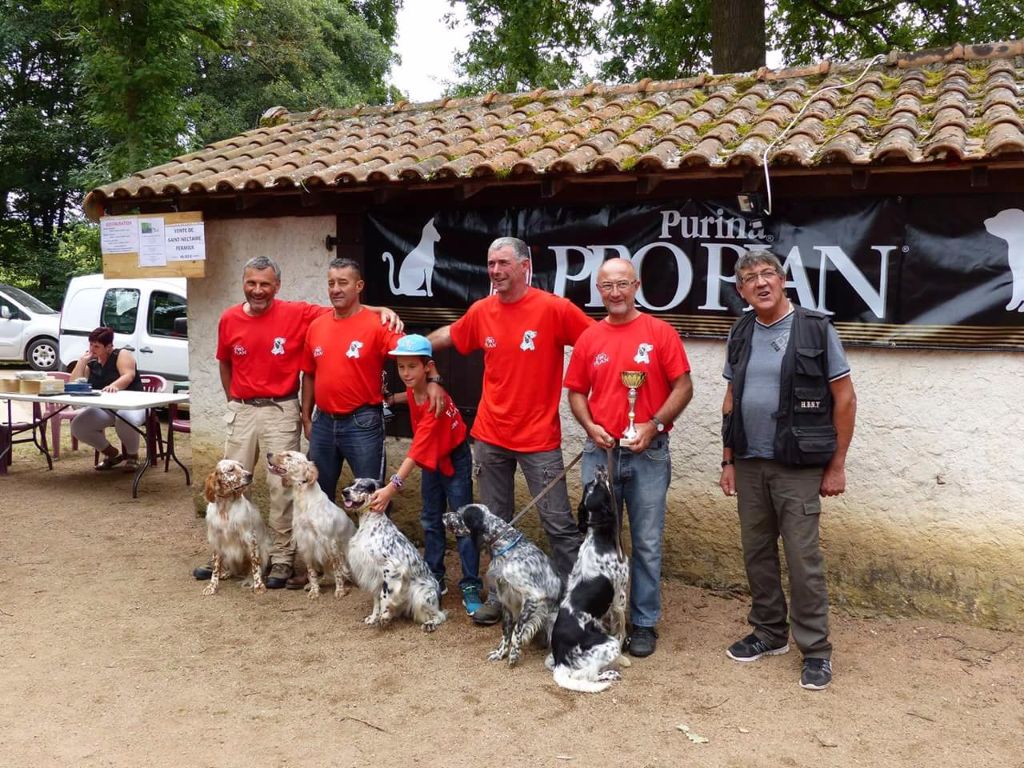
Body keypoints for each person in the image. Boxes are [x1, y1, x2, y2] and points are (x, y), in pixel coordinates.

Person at [194, 255, 401, 589]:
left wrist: (380, 310)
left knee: (282, 489)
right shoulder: (229, 318)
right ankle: (222, 551)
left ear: (277, 286)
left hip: (280, 409)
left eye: (265, 284)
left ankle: (282, 559)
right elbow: (224, 362)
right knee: (226, 481)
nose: (257, 290)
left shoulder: (297, 312)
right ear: (243, 283)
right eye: (251, 283)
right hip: (243, 408)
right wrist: (234, 398)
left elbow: (346, 306)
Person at [428, 236, 594, 625]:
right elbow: (448, 336)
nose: (496, 271)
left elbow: (597, 345)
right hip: (489, 438)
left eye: (503, 263)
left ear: (524, 266)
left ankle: (576, 603)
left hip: (539, 441)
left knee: (559, 527)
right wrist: (413, 351)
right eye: (491, 264)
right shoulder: (483, 310)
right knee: (493, 524)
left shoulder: (554, 309)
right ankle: (500, 599)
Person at [719, 249, 856, 691]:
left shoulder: (815, 328)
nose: (760, 283)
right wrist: (728, 460)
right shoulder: (740, 331)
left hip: (797, 466)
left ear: (782, 280)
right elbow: (730, 400)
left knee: (803, 560)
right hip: (750, 462)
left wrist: (836, 464)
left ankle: (815, 650)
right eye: (749, 278)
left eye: (767, 274)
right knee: (757, 553)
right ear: (740, 290)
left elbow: (845, 398)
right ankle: (768, 632)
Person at [564, 258, 693, 658]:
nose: (615, 292)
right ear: (599, 289)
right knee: (597, 540)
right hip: (599, 454)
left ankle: (643, 623)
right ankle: (599, 616)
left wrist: (653, 425)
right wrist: (590, 427)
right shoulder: (589, 338)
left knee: (647, 543)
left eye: (622, 284)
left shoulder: (659, 332)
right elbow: (576, 393)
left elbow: (683, 387)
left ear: (636, 285)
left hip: (648, 453)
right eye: (607, 286)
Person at [367, 334, 485, 616]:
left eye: (412, 367)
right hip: (433, 462)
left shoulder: (435, 402)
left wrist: (390, 489)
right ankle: (434, 576)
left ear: (426, 367)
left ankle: (470, 584)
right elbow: (411, 393)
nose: (406, 373)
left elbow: (415, 453)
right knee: (430, 519)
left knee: (462, 522)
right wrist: (393, 397)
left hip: (453, 459)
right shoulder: (421, 386)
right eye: (401, 367)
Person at [302, 258, 404, 506]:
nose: (335, 289)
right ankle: (324, 546)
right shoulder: (317, 325)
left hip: (362, 423)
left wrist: (432, 378)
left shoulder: (379, 324)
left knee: (371, 497)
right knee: (315, 495)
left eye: (343, 283)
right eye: (331, 283)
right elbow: (309, 374)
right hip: (322, 422)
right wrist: (306, 416)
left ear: (359, 286)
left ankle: (373, 546)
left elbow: (409, 355)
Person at [69, 326, 146, 470]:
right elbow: (73, 383)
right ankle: (111, 453)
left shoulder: (122, 354)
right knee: (78, 426)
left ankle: (132, 456)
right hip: (107, 407)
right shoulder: (91, 363)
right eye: (91, 344)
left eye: (96, 346)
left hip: (133, 404)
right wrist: (81, 362)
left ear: (109, 346)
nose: (92, 349)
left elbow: (128, 375)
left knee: (125, 418)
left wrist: (114, 386)